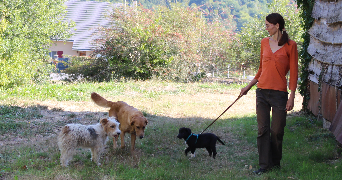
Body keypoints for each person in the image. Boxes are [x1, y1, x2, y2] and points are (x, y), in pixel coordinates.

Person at [240, 13, 298, 174]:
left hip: (280, 94)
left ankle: (275, 162)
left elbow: (294, 72)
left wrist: (292, 96)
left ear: (277, 25)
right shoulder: (264, 43)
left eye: (268, 25)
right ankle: (264, 166)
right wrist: (248, 87)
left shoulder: (290, 45)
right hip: (262, 92)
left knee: (277, 130)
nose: (265, 28)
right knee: (262, 129)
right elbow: (261, 69)